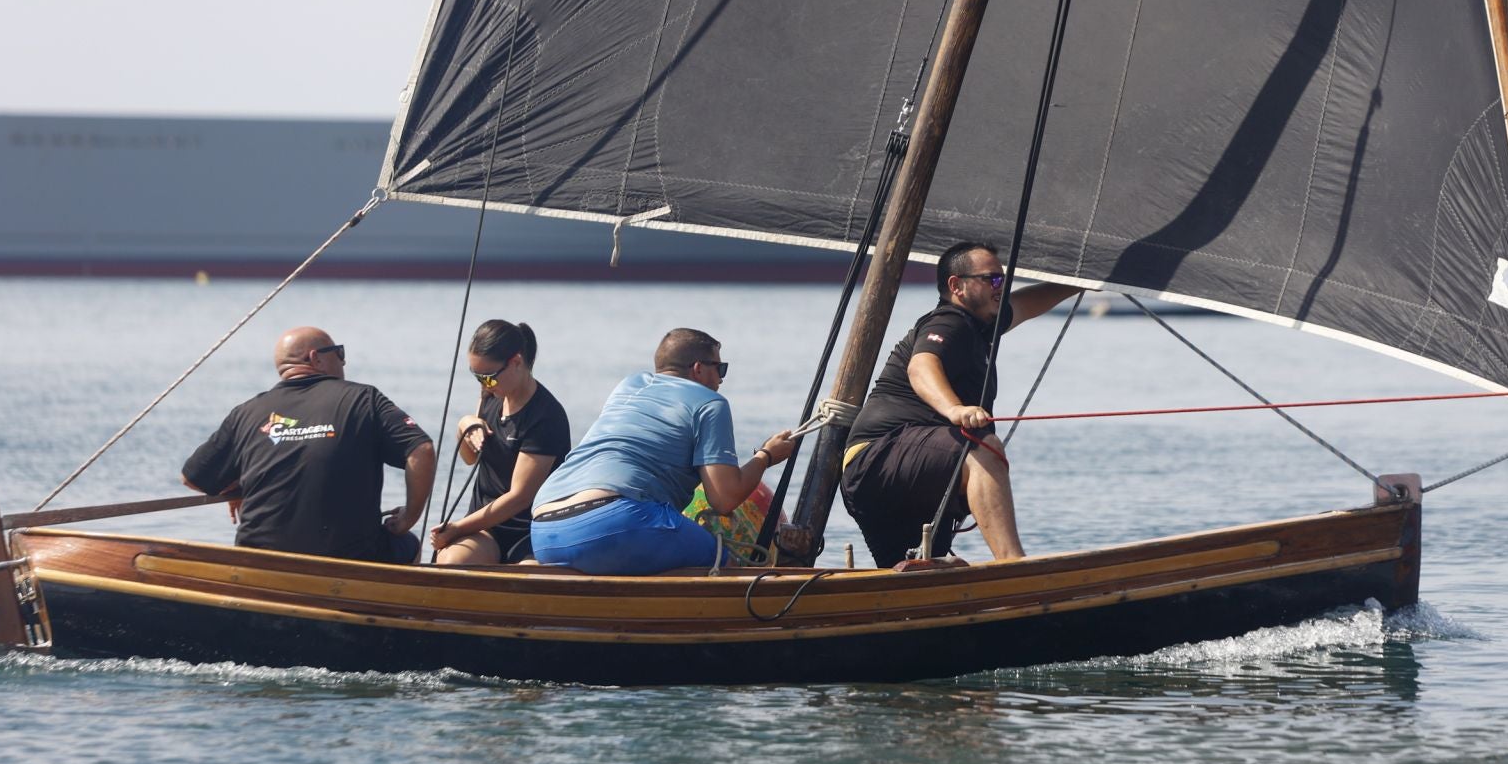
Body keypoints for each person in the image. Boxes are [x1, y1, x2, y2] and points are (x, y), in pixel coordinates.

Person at [840, 241, 1079, 566]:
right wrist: (956, 410)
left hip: (891, 477)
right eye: (992, 280)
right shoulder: (949, 322)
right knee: (983, 448)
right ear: (957, 286)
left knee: (925, 574)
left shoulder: (979, 326)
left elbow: (1024, 305)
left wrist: (1078, 283)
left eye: (1004, 280)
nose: (1002, 287)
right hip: (880, 459)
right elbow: (921, 366)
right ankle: (1013, 565)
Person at [528, 328, 797, 575]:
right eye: (720, 368)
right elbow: (723, 498)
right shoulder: (710, 403)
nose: (721, 380)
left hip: (544, 526)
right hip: (616, 520)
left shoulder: (628, 385)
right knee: (723, 565)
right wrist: (766, 456)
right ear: (698, 369)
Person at [182, 326, 434, 562]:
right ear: (315, 358)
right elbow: (421, 450)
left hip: (257, 561)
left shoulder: (246, 411)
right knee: (408, 543)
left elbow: (192, 478)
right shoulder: (364, 399)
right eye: (339, 353)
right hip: (349, 559)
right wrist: (407, 519)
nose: (344, 361)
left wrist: (233, 485)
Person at [430, 320, 571, 565]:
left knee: (527, 579)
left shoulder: (546, 416)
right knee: (452, 562)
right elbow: (470, 457)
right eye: (477, 377)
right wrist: (465, 424)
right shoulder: (491, 393)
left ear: (516, 362)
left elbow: (520, 497)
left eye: (489, 377)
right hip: (486, 528)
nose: (484, 385)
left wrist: (457, 529)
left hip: (531, 532)